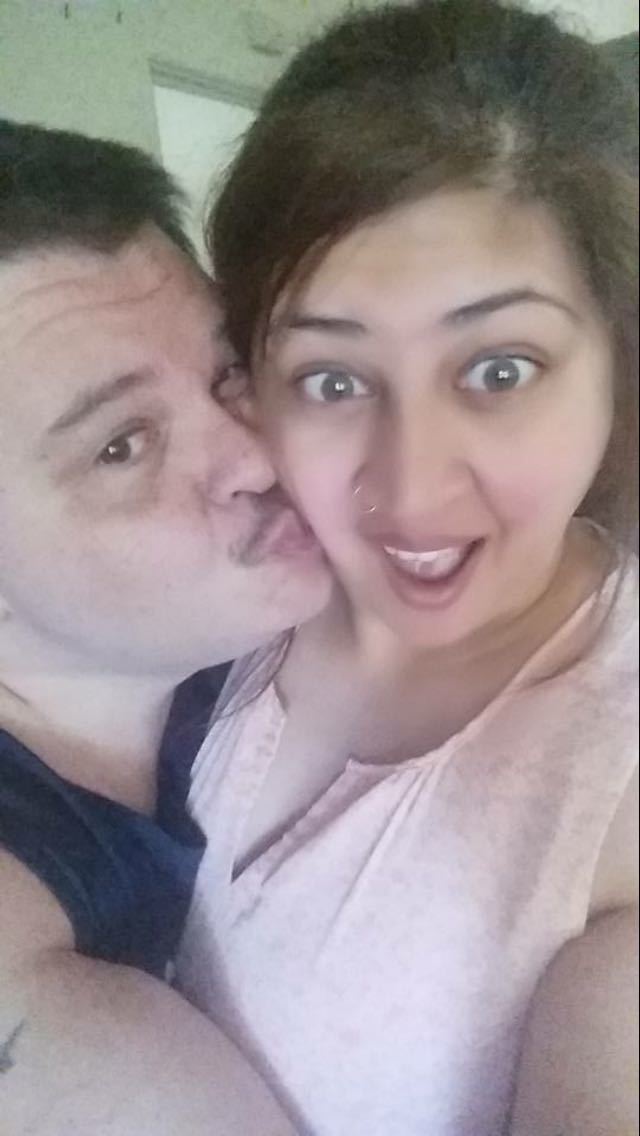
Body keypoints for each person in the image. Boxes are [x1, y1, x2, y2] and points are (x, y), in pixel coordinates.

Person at [178, 2, 639, 1134]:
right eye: (331, 379)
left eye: (498, 369)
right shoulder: (206, 595)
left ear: (616, 365)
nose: (410, 485)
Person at [0, 118, 331, 1135]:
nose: (262, 457)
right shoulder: (41, 977)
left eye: (229, 370)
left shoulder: (241, 640)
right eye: (122, 445)